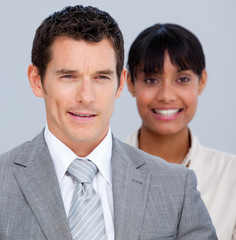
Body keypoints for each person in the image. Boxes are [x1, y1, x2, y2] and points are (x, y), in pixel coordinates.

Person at [0, 6, 217, 240]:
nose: (86, 96)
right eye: (68, 76)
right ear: (37, 81)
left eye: (101, 77)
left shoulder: (177, 189)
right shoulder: (4, 183)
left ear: (121, 83)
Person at [126, 23, 236, 240]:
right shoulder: (101, 172)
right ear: (130, 83)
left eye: (182, 79)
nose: (166, 95)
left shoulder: (232, 176)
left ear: (201, 81)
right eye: (151, 80)